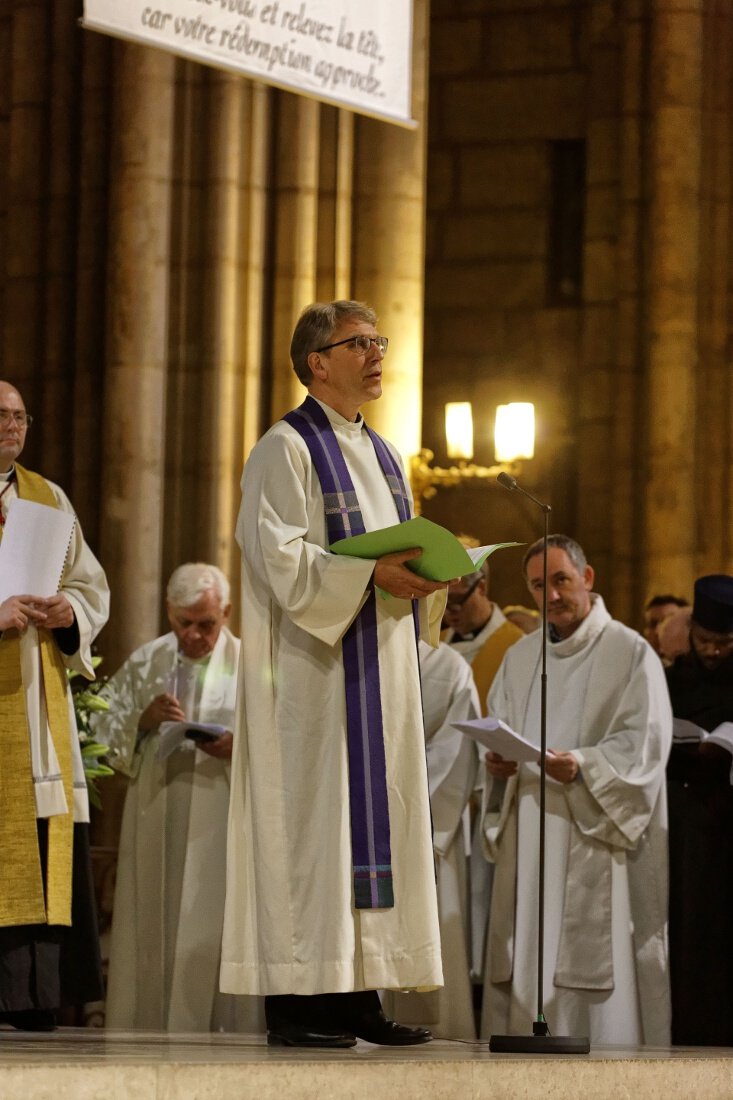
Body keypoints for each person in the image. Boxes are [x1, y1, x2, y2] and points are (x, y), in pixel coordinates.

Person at [220, 300, 450, 1048]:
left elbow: (393, 553)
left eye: (379, 340)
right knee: (311, 831)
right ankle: (296, 1003)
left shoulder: (383, 455)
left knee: (369, 821)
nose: (378, 353)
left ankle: (358, 994)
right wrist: (370, 575)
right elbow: (275, 553)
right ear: (317, 362)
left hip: (377, 674)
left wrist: (428, 571)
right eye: (361, 343)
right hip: (311, 681)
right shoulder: (284, 449)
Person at [480, 534, 672, 1045]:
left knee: (589, 957)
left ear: (587, 579)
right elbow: (499, 726)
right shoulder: (520, 658)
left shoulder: (631, 653)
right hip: (528, 829)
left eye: (561, 581)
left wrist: (585, 766)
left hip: (592, 834)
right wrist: (495, 766)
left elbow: (644, 745)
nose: (552, 596)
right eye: (539, 586)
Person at [94, 563, 261, 1032]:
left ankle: (224, 1029)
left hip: (223, 811)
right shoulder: (147, 662)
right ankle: (146, 1023)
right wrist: (143, 722)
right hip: (158, 809)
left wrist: (240, 747)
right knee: (155, 914)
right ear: (169, 612)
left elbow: (285, 737)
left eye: (205, 624)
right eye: (183, 623)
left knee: (216, 918)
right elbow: (100, 734)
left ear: (226, 612)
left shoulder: (253, 663)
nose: (193, 635)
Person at [0, 381, 110, 1031]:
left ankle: (32, 999)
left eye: (20, 417)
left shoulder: (49, 497)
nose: (12, 426)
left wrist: (70, 612)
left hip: (37, 699)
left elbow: (87, 583)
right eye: (1, 416)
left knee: (40, 839)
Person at [384, 640, 480, 1040]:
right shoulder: (360, 652)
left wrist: (409, 814)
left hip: (429, 831)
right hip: (366, 823)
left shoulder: (450, 666)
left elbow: (459, 749)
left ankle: (438, 1037)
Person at [443, 561, 524, 991]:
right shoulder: (435, 647)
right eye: (444, 601)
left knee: (488, 905)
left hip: (493, 798)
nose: (450, 612)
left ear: (483, 586)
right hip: (447, 798)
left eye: (458, 600)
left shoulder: (517, 644)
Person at [665, 574, 733, 1046]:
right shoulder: (671, 678)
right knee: (685, 927)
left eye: (724, 643)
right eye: (705, 641)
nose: (712, 652)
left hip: (728, 820)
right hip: (681, 817)